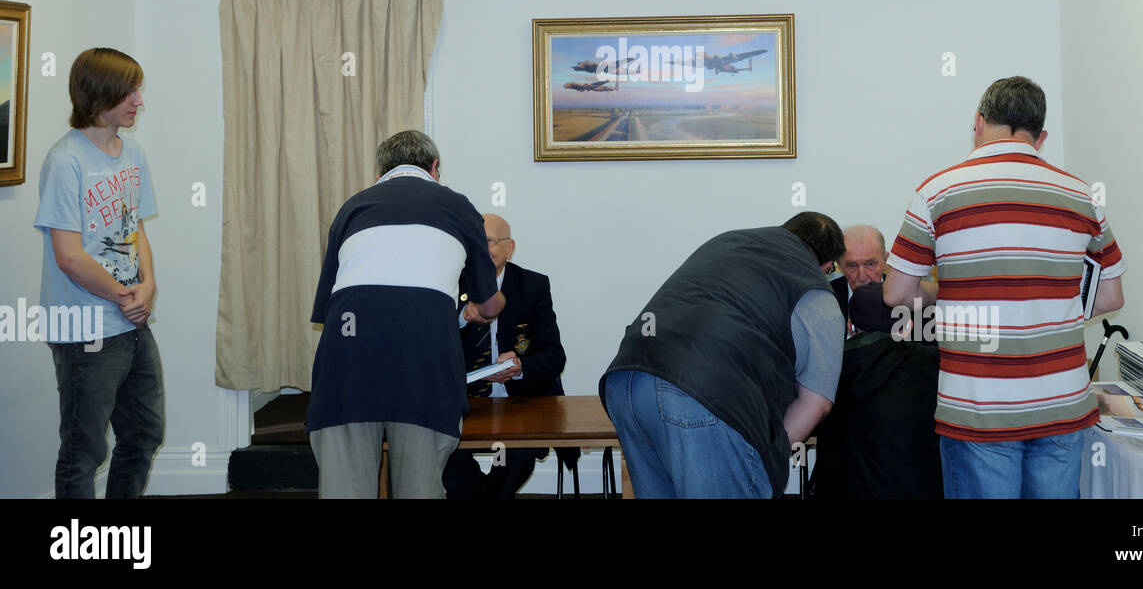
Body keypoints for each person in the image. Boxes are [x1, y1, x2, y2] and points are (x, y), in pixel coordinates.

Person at [882, 76, 1126, 499]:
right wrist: (1045, 310)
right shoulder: (1082, 196)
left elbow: (896, 295)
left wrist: (955, 298)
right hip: (1062, 403)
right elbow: (1110, 297)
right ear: (1041, 136)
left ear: (978, 122)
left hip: (979, 408)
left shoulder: (937, 192)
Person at [305, 131, 504, 499]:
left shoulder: (352, 206)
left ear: (381, 172)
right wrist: (484, 308)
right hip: (423, 361)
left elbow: (326, 308)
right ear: (434, 168)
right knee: (419, 488)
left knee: (344, 491)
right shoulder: (458, 206)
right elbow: (489, 305)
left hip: (346, 363)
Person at [601, 212, 845, 499]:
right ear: (827, 266)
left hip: (626, 380)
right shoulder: (815, 290)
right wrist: (767, 453)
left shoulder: (728, 242)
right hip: (700, 395)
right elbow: (816, 404)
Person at [34, 47, 163, 498]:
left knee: (144, 433)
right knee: (83, 453)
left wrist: (147, 285)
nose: (138, 101)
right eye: (128, 92)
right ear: (98, 95)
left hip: (129, 320)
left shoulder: (133, 153)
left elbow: (135, 228)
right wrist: (129, 297)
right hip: (84, 326)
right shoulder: (65, 161)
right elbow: (69, 255)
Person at [443, 213, 571, 499]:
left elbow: (554, 356)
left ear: (509, 247)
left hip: (517, 404)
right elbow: (428, 346)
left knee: (520, 450)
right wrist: (462, 317)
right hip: (463, 404)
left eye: (489, 241)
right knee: (443, 451)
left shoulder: (533, 286)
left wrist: (521, 366)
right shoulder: (450, 284)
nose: (481, 249)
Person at [830, 224, 889, 337]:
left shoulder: (907, 299)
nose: (862, 277)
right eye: (852, 266)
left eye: (870, 264)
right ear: (840, 265)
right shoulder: (825, 299)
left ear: (885, 260)